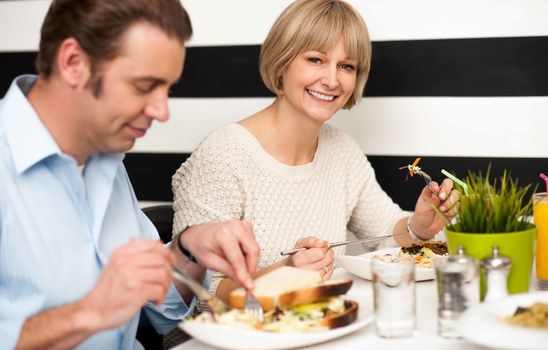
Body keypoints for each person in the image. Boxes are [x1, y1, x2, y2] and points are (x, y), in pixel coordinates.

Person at [0, 0, 259, 349]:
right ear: (73, 63)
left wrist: (189, 252)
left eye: (167, 88)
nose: (162, 110)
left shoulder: (106, 155)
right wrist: (90, 311)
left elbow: (163, 312)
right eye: (143, 85)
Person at [172, 0, 458, 301]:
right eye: (315, 60)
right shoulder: (223, 155)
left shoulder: (342, 151)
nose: (332, 80)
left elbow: (386, 232)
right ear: (282, 62)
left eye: (346, 66)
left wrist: (419, 227)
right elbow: (197, 298)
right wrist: (286, 272)